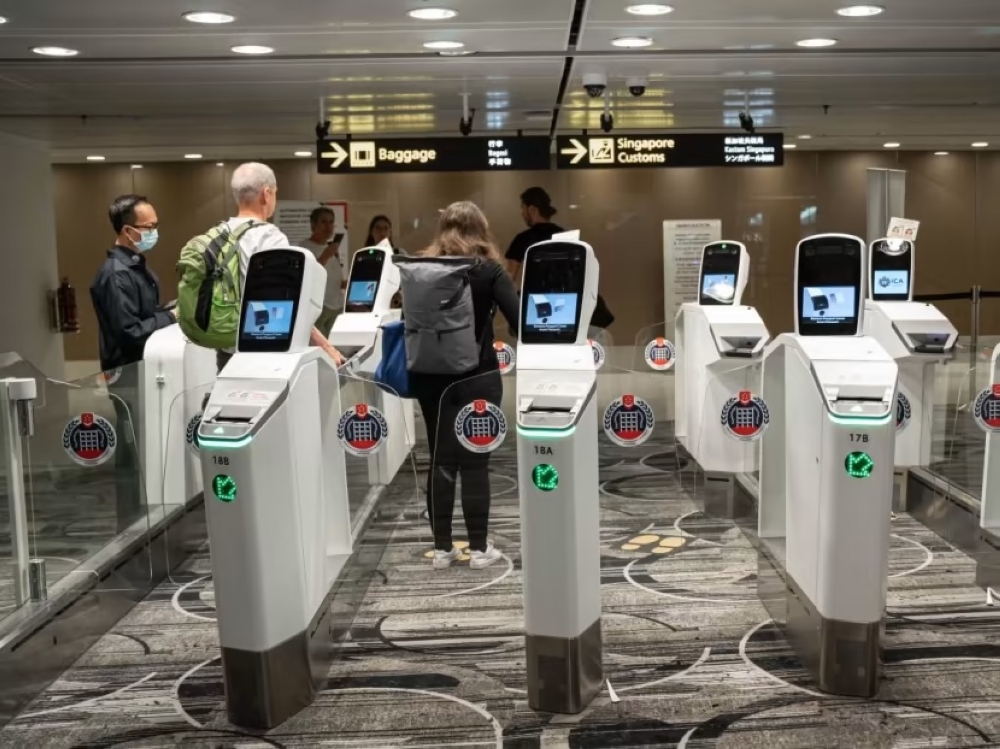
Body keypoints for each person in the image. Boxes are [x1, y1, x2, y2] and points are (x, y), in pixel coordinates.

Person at [409, 202, 520, 570]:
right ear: (481, 229)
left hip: (429, 377)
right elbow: (518, 321)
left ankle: (441, 548)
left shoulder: (421, 271)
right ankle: (478, 549)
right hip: (478, 376)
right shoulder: (488, 270)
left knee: (440, 460)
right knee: (474, 462)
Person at [91, 194, 176, 531]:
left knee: (145, 452)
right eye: (149, 227)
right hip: (127, 374)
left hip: (147, 371)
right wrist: (170, 317)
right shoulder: (115, 275)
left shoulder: (135, 266)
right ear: (128, 230)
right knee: (132, 455)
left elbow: (143, 316)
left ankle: (147, 525)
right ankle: (130, 528)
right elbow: (129, 332)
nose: (155, 232)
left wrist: (164, 313)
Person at [218, 162, 343, 371]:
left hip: (226, 349)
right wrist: (327, 347)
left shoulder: (219, 234)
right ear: (266, 194)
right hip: (265, 349)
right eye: (275, 193)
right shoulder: (270, 238)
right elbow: (286, 305)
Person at [299, 206, 344, 337]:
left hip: (336, 307)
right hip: (318, 308)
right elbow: (307, 276)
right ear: (313, 225)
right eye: (323, 222)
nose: (328, 226)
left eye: (331, 222)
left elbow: (334, 278)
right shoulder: (304, 248)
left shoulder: (332, 249)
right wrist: (325, 256)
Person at [504, 187, 564, 283]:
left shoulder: (523, 239)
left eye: (523, 209)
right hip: (564, 296)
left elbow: (508, 278)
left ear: (532, 209)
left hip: (532, 296)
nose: (522, 214)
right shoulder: (564, 236)